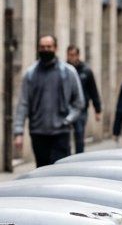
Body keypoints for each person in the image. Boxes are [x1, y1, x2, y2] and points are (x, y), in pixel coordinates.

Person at [13, 35, 85, 167]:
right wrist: (19, 132)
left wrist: (67, 120)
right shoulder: (31, 74)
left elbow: (79, 102)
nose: (45, 50)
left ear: (55, 48)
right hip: (38, 132)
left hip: (60, 132)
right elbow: (23, 104)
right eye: (42, 47)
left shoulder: (68, 72)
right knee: (42, 170)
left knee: (59, 169)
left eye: (49, 47)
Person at [67, 45, 101, 153]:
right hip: (66, 108)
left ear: (78, 56)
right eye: (69, 55)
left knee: (79, 134)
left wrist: (97, 109)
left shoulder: (86, 71)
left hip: (81, 109)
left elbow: (93, 91)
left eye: (73, 55)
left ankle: (78, 157)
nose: (71, 57)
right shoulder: (64, 70)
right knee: (65, 136)